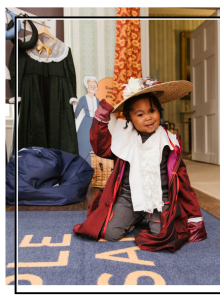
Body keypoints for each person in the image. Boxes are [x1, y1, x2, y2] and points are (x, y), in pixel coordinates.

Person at [73, 77, 207, 252]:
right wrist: (103, 117)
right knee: (110, 234)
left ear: (160, 111)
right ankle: (134, 216)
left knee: (162, 236)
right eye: (140, 114)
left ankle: (151, 216)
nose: (148, 118)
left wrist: (194, 217)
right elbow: (101, 148)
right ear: (129, 118)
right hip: (128, 198)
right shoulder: (124, 139)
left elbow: (184, 183)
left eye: (152, 111)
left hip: (159, 199)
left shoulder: (169, 142)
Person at [73, 76, 100, 165]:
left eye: (94, 86)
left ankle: (93, 165)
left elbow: (100, 113)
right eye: (90, 86)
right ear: (87, 88)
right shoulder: (83, 99)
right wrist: (74, 120)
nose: (92, 88)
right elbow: (77, 111)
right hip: (86, 123)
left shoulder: (97, 100)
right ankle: (82, 164)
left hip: (95, 123)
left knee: (95, 143)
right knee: (84, 142)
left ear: (96, 88)